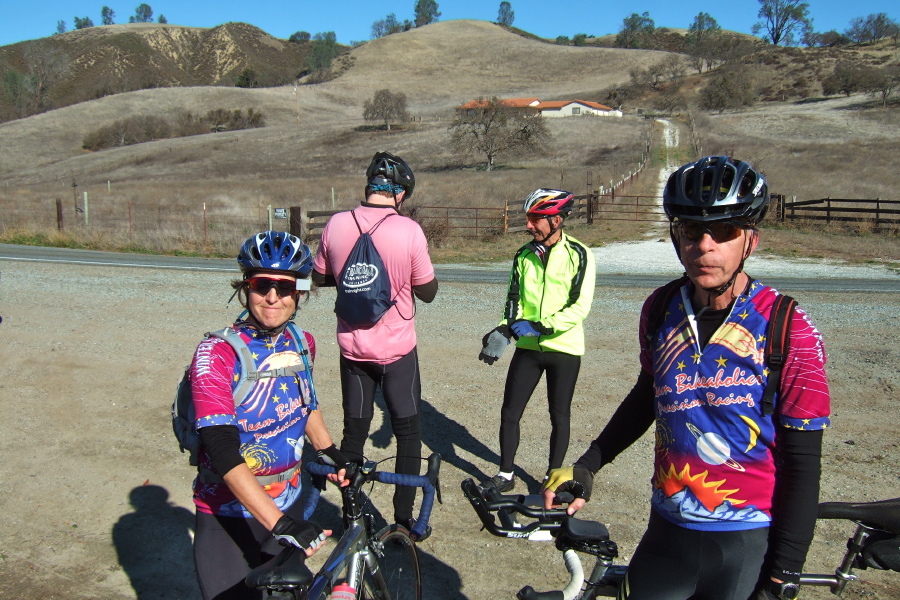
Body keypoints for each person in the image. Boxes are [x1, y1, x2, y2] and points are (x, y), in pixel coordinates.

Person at [542, 157, 831, 600]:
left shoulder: (787, 328)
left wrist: (784, 576)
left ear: (750, 239)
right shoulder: (661, 310)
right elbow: (648, 396)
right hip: (667, 534)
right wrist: (589, 463)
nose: (706, 246)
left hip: (746, 543)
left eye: (725, 231)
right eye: (692, 232)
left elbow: (803, 463)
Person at [190, 231, 350, 600]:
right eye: (263, 285)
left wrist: (330, 452)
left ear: (299, 291)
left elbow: (304, 404)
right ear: (246, 287)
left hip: (287, 501)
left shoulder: (301, 341)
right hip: (225, 515)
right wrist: (280, 524)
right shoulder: (216, 353)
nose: (273, 296)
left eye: (284, 286)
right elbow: (220, 447)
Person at [312, 151, 438, 538]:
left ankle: (351, 513)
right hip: (397, 352)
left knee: (354, 431)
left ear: (369, 187)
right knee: (407, 432)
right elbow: (428, 292)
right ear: (400, 194)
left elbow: (320, 278)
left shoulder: (336, 225)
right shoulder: (409, 231)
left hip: (352, 351)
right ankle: (403, 519)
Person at [478, 188, 595, 493]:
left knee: (559, 415)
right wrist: (505, 329)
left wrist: (540, 326)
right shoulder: (524, 255)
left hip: (564, 348)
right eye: (528, 218)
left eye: (535, 218)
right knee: (510, 412)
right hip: (528, 348)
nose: (529, 225)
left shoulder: (580, 254)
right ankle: (505, 474)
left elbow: (579, 306)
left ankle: (552, 477)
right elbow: (513, 301)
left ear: (556, 219)